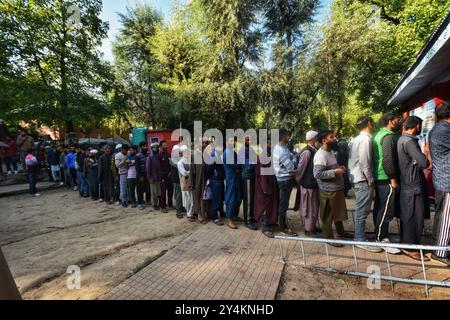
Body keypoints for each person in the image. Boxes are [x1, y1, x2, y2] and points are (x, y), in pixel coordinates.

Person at [397, 116, 430, 261]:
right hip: (413, 184)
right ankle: (410, 248)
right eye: (419, 126)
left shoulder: (401, 139)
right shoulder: (410, 141)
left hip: (407, 182)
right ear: (416, 126)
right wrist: (422, 156)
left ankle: (407, 244)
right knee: (414, 216)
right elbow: (424, 162)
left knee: (408, 214)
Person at [348, 117, 382, 253]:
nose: (373, 124)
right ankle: (360, 239)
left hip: (358, 178)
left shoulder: (357, 139)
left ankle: (360, 236)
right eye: (372, 122)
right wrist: (370, 179)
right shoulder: (365, 140)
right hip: (363, 179)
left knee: (361, 210)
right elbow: (365, 162)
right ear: (368, 124)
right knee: (362, 210)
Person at [373, 112, 402, 254]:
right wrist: (393, 177)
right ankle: (381, 238)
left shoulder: (379, 134)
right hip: (386, 177)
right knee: (386, 210)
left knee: (380, 208)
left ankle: (381, 236)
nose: (400, 121)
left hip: (380, 176)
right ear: (390, 121)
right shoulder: (388, 136)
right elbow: (388, 159)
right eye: (398, 119)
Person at [313, 131, 349, 245]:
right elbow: (317, 174)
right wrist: (335, 171)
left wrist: (339, 168)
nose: (335, 138)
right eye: (331, 137)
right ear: (324, 140)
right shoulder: (320, 155)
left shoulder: (330, 152)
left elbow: (332, 168)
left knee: (337, 212)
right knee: (327, 215)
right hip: (328, 191)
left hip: (336, 188)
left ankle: (341, 232)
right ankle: (328, 238)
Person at [429, 101, 450, 266]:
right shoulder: (444, 130)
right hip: (447, 181)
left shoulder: (437, 128)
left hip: (442, 179)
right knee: (446, 218)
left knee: (442, 215)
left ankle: (438, 246)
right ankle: (440, 252)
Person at [295, 131, 321, 237]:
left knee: (314, 207)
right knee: (309, 208)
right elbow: (301, 168)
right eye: (316, 137)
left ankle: (312, 227)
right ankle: (308, 229)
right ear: (313, 138)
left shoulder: (313, 150)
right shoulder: (307, 152)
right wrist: (299, 180)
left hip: (312, 184)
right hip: (308, 184)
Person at [273, 129, 298, 236]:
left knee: (282, 203)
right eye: (288, 135)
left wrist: (292, 158)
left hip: (284, 179)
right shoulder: (281, 150)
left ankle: (280, 222)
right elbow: (292, 167)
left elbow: (291, 159)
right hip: (284, 181)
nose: (289, 137)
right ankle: (283, 227)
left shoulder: (284, 148)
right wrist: (294, 159)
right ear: (283, 136)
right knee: (283, 204)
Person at [254, 140, 278, 238]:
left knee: (270, 205)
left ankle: (270, 222)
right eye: (270, 144)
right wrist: (264, 188)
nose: (272, 145)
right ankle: (265, 227)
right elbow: (262, 174)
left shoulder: (268, 154)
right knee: (265, 205)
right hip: (264, 185)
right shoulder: (263, 156)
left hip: (270, 183)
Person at [238, 136, 258, 230]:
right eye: (247, 139)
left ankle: (251, 217)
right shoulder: (243, 150)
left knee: (252, 199)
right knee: (248, 200)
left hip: (252, 176)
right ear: (244, 140)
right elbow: (248, 165)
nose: (250, 141)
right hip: (247, 177)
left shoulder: (250, 149)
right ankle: (248, 221)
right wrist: (255, 163)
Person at [222, 137, 242, 230]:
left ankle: (234, 216)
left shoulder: (233, 152)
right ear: (226, 142)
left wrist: (238, 166)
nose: (233, 142)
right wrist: (238, 166)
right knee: (230, 198)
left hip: (236, 178)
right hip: (231, 178)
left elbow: (238, 165)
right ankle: (229, 219)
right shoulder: (227, 153)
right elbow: (236, 165)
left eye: (234, 141)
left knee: (237, 198)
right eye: (230, 140)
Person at [205, 144, 225, 226]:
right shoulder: (213, 156)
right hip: (215, 180)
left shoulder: (219, 155)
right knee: (216, 199)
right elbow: (208, 170)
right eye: (219, 146)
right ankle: (215, 217)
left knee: (220, 198)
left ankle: (222, 213)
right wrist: (213, 176)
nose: (221, 147)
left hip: (220, 180)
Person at [193, 138, 211, 224]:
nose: (204, 144)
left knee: (206, 197)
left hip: (207, 179)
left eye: (205, 143)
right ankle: (200, 214)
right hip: (198, 180)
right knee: (199, 196)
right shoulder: (194, 154)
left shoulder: (206, 154)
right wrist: (192, 183)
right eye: (202, 142)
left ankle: (206, 213)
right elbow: (192, 169)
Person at [178, 145, 195, 221]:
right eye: (185, 151)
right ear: (182, 153)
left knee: (192, 198)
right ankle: (189, 214)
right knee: (187, 199)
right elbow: (184, 173)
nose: (187, 153)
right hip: (185, 183)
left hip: (191, 182)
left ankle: (192, 212)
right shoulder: (180, 162)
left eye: (188, 151)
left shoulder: (190, 160)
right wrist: (192, 171)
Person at [155, 141, 172, 213]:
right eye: (164, 145)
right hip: (163, 177)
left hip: (170, 176)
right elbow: (159, 168)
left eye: (166, 145)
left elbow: (171, 165)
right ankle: (163, 206)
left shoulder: (169, 155)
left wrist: (170, 172)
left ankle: (170, 204)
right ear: (161, 147)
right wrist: (164, 175)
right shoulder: (158, 156)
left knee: (171, 191)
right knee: (163, 192)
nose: (166, 146)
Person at [171, 145, 185, 218]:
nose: (178, 152)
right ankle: (178, 211)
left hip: (180, 179)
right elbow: (178, 166)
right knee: (178, 195)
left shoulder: (179, 158)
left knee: (181, 194)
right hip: (176, 179)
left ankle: (182, 208)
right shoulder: (172, 159)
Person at [136, 141, 151, 210]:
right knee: (140, 190)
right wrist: (140, 176)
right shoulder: (138, 155)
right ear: (141, 147)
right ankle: (140, 203)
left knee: (148, 188)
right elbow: (137, 167)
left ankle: (148, 201)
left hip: (148, 174)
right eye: (144, 146)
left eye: (146, 146)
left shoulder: (149, 154)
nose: (146, 147)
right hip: (141, 175)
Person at [147, 143, 161, 211]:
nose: (156, 148)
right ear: (152, 149)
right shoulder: (150, 157)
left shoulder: (158, 156)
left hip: (159, 177)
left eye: (157, 147)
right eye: (154, 147)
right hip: (153, 178)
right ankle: (154, 204)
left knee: (158, 192)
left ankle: (158, 204)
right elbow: (148, 169)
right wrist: (150, 178)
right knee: (154, 192)